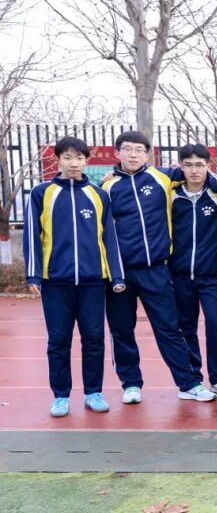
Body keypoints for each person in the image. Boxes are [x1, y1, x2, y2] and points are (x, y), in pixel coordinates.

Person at [102, 130, 217, 404]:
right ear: (117, 153)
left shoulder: (162, 178)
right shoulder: (107, 187)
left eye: (139, 150)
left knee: (170, 328)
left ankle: (188, 384)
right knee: (122, 329)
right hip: (120, 272)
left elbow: (203, 174)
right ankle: (131, 384)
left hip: (156, 269)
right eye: (127, 149)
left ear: (147, 154)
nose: (133, 154)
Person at [24, 136, 125, 417]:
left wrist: (117, 275)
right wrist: (33, 275)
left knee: (94, 338)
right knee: (58, 341)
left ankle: (93, 392)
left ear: (86, 161)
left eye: (79, 158)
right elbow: (32, 235)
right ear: (58, 160)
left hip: (93, 281)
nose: (73, 163)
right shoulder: (42, 193)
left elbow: (109, 238)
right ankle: (60, 396)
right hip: (55, 281)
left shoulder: (98, 195)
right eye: (67, 157)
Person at [170, 144, 217, 396]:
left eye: (199, 165)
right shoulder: (170, 196)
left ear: (208, 166)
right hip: (179, 276)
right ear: (181, 167)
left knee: (216, 325)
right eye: (188, 165)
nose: (194, 170)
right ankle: (193, 379)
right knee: (186, 327)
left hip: (212, 276)